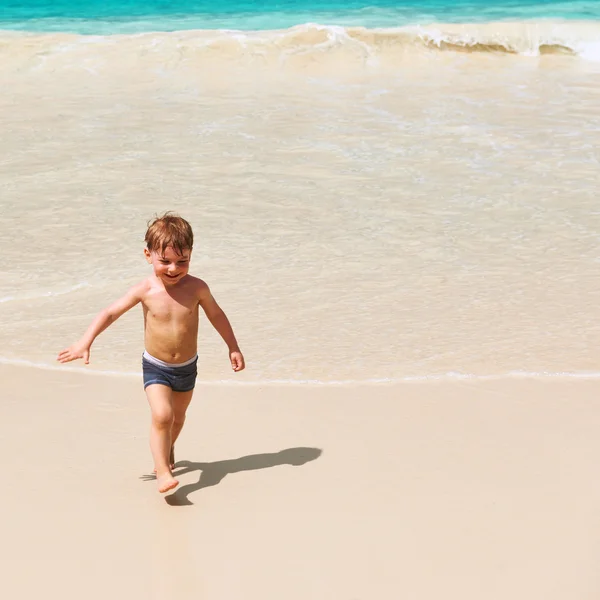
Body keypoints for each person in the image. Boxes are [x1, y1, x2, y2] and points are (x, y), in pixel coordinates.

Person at [57, 213, 245, 493]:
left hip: (187, 367)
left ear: (191, 256)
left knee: (177, 419)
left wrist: (233, 346)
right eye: (165, 261)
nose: (173, 269)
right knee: (162, 415)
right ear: (148, 255)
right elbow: (110, 312)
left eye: (182, 262)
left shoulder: (197, 288)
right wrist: (86, 341)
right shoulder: (145, 289)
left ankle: (166, 449)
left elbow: (217, 315)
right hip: (156, 366)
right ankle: (163, 472)